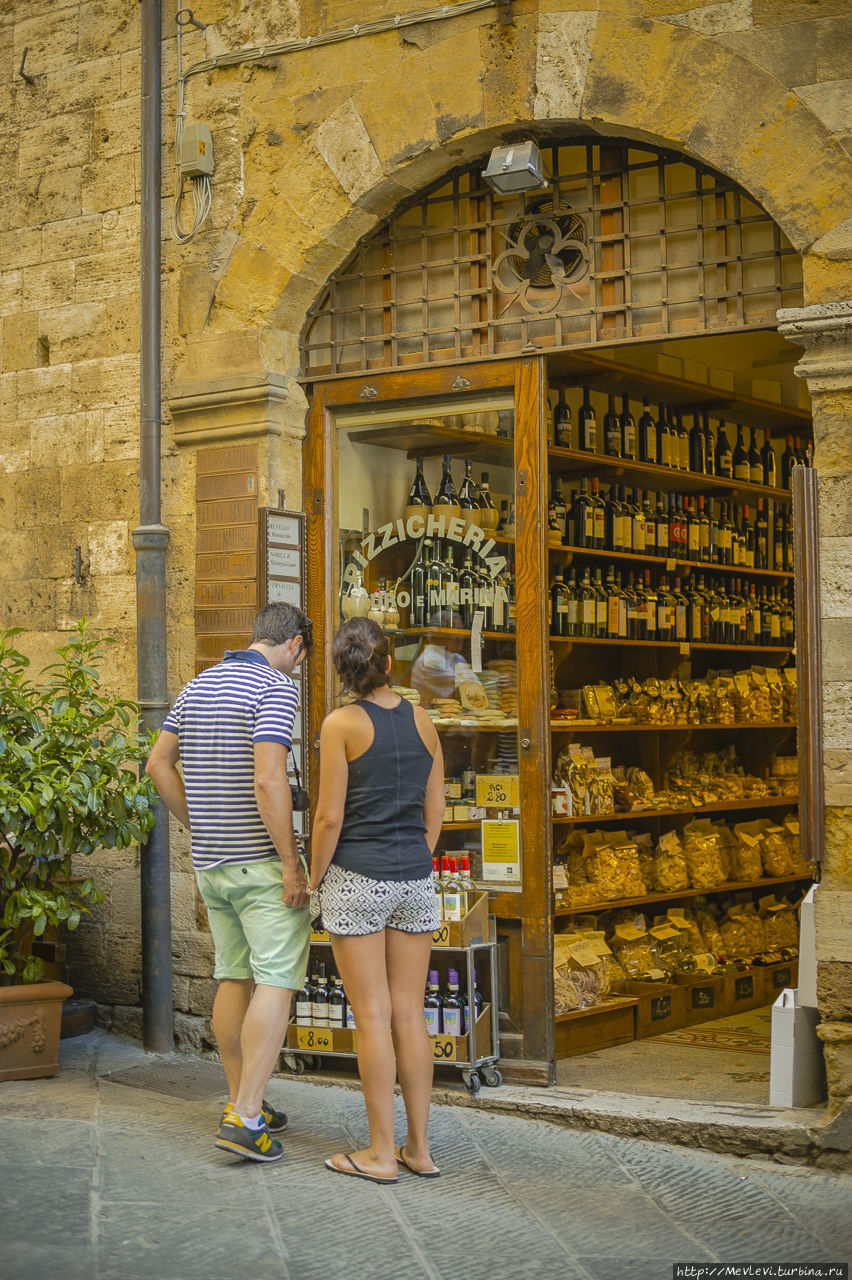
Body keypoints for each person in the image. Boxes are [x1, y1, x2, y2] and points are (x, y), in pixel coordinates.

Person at [145, 602, 312, 1163]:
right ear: (294, 645)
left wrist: (197, 821)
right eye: (301, 659)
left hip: (212, 863)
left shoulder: (199, 685)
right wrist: (291, 861)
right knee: (278, 981)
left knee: (234, 978)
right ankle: (245, 1118)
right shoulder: (276, 688)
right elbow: (269, 778)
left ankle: (245, 1101)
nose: (298, 669)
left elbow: (157, 765)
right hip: (260, 863)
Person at [310, 616, 445, 1184]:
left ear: (344, 672)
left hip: (357, 878)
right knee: (410, 1015)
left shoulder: (339, 724)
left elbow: (328, 816)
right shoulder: (423, 719)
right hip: (415, 876)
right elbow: (434, 811)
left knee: (371, 1016)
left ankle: (380, 1154)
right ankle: (420, 1149)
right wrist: (412, 858)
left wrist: (313, 879)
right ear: (389, 664)